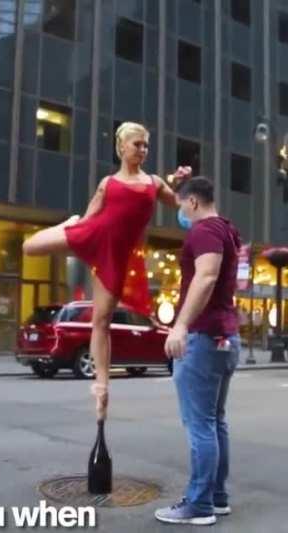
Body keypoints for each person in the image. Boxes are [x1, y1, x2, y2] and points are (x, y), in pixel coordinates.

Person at [23, 121, 191, 420]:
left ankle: (101, 387)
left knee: (101, 321)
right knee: (29, 247)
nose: (143, 149)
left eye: (146, 145)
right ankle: (63, 224)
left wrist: (180, 182)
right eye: (137, 144)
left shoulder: (153, 183)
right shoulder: (107, 183)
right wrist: (73, 229)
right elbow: (89, 217)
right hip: (93, 235)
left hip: (119, 256)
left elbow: (180, 204)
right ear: (122, 147)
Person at [155, 176, 241, 526]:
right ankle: (216, 497)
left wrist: (180, 325)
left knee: (201, 424)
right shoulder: (228, 230)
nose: (180, 214)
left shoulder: (203, 231)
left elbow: (206, 277)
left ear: (192, 202)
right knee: (215, 422)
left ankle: (199, 504)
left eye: (180, 206)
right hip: (225, 336)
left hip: (205, 337)